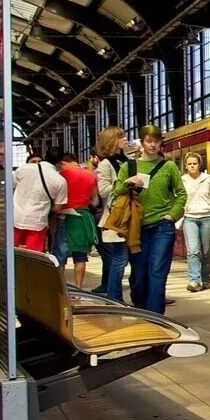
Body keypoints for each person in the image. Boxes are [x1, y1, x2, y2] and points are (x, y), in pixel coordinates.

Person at [112, 126, 185, 313]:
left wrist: (172, 215)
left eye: (156, 141)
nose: (153, 145)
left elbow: (181, 194)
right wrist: (127, 183)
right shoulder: (128, 167)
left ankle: (155, 318)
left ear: (161, 142)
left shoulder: (169, 166)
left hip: (163, 227)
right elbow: (116, 192)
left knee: (157, 273)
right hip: (137, 228)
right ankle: (141, 305)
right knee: (139, 275)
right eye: (149, 141)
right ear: (142, 142)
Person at [90, 127, 129, 302]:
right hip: (116, 217)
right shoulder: (106, 164)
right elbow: (104, 191)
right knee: (120, 259)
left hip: (130, 216)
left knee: (125, 259)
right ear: (113, 141)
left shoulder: (126, 161)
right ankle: (114, 297)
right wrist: (124, 184)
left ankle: (118, 295)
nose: (125, 139)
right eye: (121, 137)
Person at [180, 152, 210, 292]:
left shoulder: (208, 179)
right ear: (185, 166)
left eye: (195, 163)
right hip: (189, 218)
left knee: (206, 251)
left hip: (208, 218)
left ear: (199, 165)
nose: (192, 166)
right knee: (193, 250)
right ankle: (194, 280)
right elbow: (178, 200)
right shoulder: (182, 180)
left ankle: (206, 278)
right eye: (190, 164)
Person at [55, 151, 98, 287]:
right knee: (80, 256)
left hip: (66, 216)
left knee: (60, 255)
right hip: (83, 217)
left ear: (63, 163)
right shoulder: (90, 176)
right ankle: (79, 287)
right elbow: (95, 200)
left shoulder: (62, 175)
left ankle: (60, 288)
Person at [11, 150, 67, 252]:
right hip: (37, 222)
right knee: (34, 257)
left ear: (45, 156)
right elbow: (58, 208)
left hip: (16, 218)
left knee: (13, 254)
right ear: (60, 162)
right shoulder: (60, 181)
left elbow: (13, 186)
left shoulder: (24, 169)